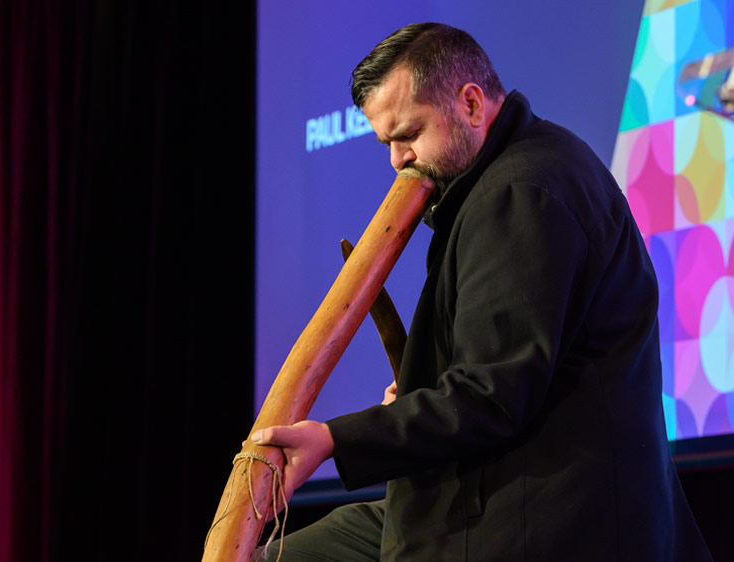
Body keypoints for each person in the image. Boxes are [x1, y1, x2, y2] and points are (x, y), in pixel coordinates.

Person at [252, 23, 713, 561]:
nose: (397, 159)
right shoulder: (512, 175)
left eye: (409, 134)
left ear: (471, 103)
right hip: (490, 493)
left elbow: (493, 394)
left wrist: (334, 441)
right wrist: (418, 392)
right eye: (388, 142)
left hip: (540, 516)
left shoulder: (521, 192)